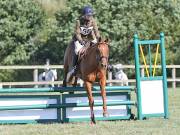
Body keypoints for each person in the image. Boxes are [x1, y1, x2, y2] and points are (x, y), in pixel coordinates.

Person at [70, 5, 100, 76]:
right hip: (79, 39)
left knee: (100, 48)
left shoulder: (93, 21)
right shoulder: (79, 22)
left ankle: (104, 65)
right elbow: (77, 34)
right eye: (88, 15)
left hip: (89, 38)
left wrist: (99, 39)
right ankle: (75, 67)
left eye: (90, 15)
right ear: (83, 15)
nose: (89, 17)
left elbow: (96, 31)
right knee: (77, 51)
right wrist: (81, 41)